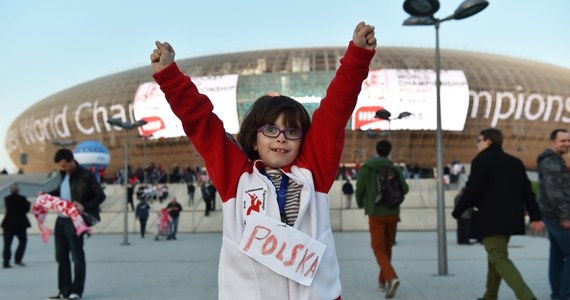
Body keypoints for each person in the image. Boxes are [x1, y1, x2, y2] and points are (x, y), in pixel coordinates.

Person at [150, 21, 376, 299]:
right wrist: (170, 77)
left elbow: (335, 111)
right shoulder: (235, 176)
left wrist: (357, 58)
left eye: (291, 131)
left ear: (302, 139)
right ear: (254, 138)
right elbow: (201, 123)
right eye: (270, 130)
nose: (281, 138)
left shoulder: (313, 171)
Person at [452, 128, 543, 300]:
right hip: (511, 219)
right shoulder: (515, 162)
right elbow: (527, 192)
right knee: (496, 256)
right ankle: (490, 295)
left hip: (490, 219)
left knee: (499, 257)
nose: (477, 144)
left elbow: (472, 190)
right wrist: (536, 216)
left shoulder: (482, 160)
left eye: (479, 140)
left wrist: (458, 211)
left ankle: (527, 297)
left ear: (488, 141)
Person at [47, 148, 106, 300]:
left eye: (65, 165)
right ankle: (64, 292)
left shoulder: (87, 175)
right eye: (61, 166)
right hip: (60, 221)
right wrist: (47, 196)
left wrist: (84, 206)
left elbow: (101, 196)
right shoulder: (63, 176)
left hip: (75, 220)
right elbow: (61, 192)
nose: (63, 168)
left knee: (77, 256)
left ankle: (76, 291)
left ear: (72, 161)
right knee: (61, 257)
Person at [355, 140, 409, 298]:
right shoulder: (394, 168)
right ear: (389, 151)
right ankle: (382, 281)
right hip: (393, 212)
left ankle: (391, 278)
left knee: (377, 247)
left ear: (376, 150)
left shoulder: (367, 168)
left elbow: (360, 189)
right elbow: (405, 189)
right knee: (387, 247)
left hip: (376, 213)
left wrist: (361, 203)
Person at [536, 128, 570, 300]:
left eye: (569, 141)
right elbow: (554, 192)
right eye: (562, 140)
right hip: (558, 216)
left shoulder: (555, 160)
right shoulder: (552, 162)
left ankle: (558, 295)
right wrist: (565, 216)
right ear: (552, 143)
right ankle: (564, 295)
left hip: (552, 215)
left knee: (557, 256)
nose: (567, 144)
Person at [2, 183, 31, 268]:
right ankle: (18, 259)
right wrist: (28, 203)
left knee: (7, 244)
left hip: (8, 224)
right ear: (18, 190)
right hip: (20, 224)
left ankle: (6, 262)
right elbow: (26, 210)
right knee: (23, 241)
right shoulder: (22, 199)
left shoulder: (7, 199)